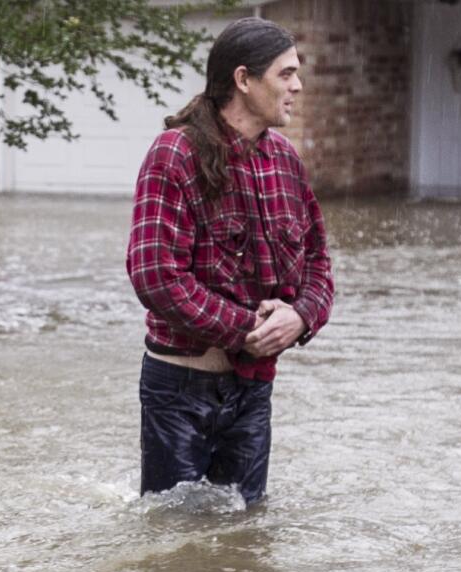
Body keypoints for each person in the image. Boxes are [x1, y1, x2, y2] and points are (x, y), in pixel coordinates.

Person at [126, 17, 334, 505]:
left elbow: (319, 262)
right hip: (179, 391)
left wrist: (300, 315)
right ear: (244, 79)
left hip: (253, 393)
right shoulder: (174, 153)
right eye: (285, 74)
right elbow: (155, 275)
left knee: (244, 544)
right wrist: (249, 330)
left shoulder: (285, 159)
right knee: (173, 544)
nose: (297, 86)